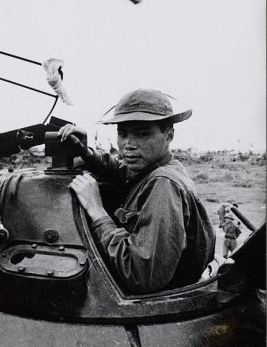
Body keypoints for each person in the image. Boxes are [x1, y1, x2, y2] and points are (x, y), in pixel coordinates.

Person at [59, 88, 215, 294]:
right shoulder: (152, 167)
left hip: (157, 303)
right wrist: (86, 152)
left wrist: (97, 212)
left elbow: (142, 276)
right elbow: (118, 171)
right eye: (122, 134)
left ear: (169, 135)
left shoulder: (164, 184)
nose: (128, 145)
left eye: (142, 134)